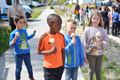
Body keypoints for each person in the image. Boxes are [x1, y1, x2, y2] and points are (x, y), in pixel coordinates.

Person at [37, 14, 65, 80]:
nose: (60, 26)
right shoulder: (44, 37)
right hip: (48, 68)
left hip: (59, 67)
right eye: (58, 24)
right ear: (50, 24)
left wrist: (63, 64)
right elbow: (39, 52)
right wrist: (50, 52)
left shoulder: (61, 36)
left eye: (61, 24)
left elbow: (62, 51)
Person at [82, 11, 108, 80]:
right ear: (91, 19)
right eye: (94, 18)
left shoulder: (103, 30)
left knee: (98, 70)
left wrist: (102, 43)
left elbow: (106, 40)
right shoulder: (87, 30)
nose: (95, 20)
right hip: (90, 53)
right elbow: (84, 43)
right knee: (91, 69)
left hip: (100, 54)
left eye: (97, 19)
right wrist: (84, 56)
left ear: (100, 20)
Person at [9, 16, 36, 80]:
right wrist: (15, 38)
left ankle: (31, 77)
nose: (22, 24)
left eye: (24, 22)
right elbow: (10, 45)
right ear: (15, 23)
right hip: (18, 54)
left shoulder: (24, 30)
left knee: (29, 66)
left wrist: (33, 34)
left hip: (26, 53)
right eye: (20, 22)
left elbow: (26, 38)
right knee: (18, 69)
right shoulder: (13, 33)